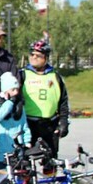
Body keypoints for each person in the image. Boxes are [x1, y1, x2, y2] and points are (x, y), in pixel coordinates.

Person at [20, 39, 69, 172]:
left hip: (49, 124)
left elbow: (63, 101)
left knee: (50, 161)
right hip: (29, 124)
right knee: (25, 162)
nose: (34, 58)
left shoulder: (55, 76)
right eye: (32, 55)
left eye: (38, 55)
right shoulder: (23, 74)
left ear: (46, 58)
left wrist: (63, 122)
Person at [0, 72, 31, 169]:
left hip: (17, 146)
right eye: (13, 89)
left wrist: (27, 141)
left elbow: (24, 125)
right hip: (2, 146)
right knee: (0, 173)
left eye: (17, 89)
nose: (16, 92)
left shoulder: (19, 106)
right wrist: (9, 102)